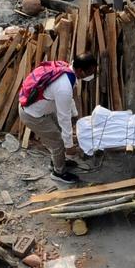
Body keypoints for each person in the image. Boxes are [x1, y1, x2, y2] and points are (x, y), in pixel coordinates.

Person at [17, 54, 98, 184]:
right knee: (58, 142)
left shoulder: (67, 69)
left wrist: (75, 114)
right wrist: (69, 146)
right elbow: (64, 118)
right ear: (79, 70)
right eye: (89, 72)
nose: (91, 75)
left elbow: (69, 100)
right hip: (33, 116)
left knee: (59, 135)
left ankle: (56, 161)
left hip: (41, 110)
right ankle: (58, 172)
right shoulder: (63, 87)